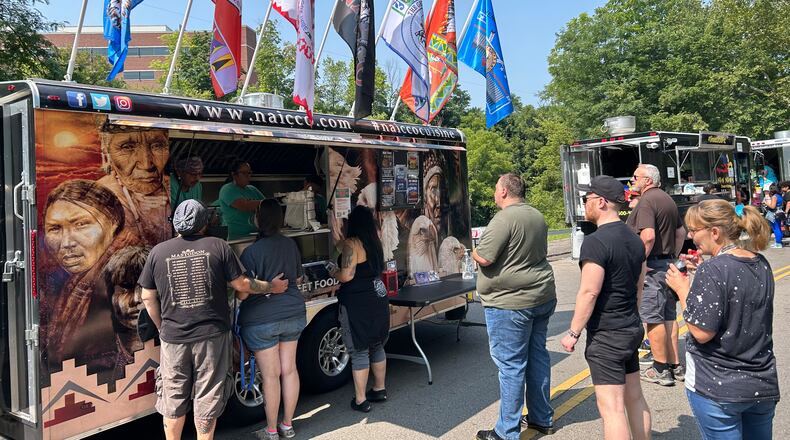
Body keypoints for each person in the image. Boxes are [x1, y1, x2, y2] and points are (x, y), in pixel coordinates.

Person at [138, 200, 288, 440]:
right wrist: (272, 286)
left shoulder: (158, 252)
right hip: (212, 337)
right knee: (207, 399)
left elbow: (147, 296)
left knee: (173, 398)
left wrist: (161, 327)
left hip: (173, 340)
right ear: (204, 223)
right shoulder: (218, 246)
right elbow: (242, 284)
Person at [665, 200, 779, 439]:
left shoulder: (714, 269)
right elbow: (736, 298)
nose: (690, 236)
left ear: (714, 232)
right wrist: (701, 272)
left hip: (719, 386)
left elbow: (701, 332)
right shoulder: (761, 263)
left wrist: (683, 289)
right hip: (762, 382)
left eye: (694, 230)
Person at [560, 176, 651, 440]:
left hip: (607, 334)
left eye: (586, 199)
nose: (584, 204)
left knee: (612, 408)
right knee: (635, 397)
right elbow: (639, 286)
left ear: (601, 202)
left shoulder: (595, 242)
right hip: (630, 327)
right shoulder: (635, 239)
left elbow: (589, 291)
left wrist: (573, 332)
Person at [472, 173, 557, 440]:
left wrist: (473, 251)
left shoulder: (503, 219)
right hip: (541, 295)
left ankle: (506, 431)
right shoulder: (536, 215)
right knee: (537, 356)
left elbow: (485, 257)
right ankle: (542, 418)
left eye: (496, 188)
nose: (494, 193)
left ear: (505, 192)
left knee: (511, 366)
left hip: (509, 303)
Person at [41, 179, 137, 373]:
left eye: (81, 224)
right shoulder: (72, 283)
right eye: (55, 228)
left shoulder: (128, 273)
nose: (67, 243)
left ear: (113, 223)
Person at [238, 200, 307, 440]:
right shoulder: (290, 244)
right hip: (293, 314)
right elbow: (298, 278)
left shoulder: (251, 252)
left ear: (259, 219)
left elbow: (242, 293)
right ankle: (287, 425)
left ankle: (271, 430)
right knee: (289, 370)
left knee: (270, 376)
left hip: (261, 321)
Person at [628, 164, 686, 386]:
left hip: (652, 267)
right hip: (667, 265)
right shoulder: (667, 199)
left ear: (648, 180)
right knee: (669, 316)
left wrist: (639, 262)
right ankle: (675, 365)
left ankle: (660, 368)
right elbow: (681, 232)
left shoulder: (647, 200)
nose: (632, 180)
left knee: (652, 318)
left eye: (636, 177)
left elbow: (649, 236)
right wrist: (672, 256)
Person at [329, 206, 389, 413]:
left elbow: (347, 276)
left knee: (359, 350)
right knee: (376, 345)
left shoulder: (352, 244)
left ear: (353, 224)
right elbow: (342, 246)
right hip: (377, 298)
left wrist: (333, 272)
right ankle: (379, 389)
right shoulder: (375, 242)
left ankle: (361, 399)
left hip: (357, 302)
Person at [97, 126, 171, 246]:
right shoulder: (96, 200)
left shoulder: (173, 186)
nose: (146, 165)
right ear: (106, 151)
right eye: (127, 147)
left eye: (157, 145)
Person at [100, 245, 150, 379]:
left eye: (146, 288)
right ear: (110, 295)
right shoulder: (99, 358)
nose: (136, 299)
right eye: (126, 289)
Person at [219, 160, 265, 240]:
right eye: (244, 173)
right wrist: (265, 203)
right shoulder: (227, 189)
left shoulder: (252, 189)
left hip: (255, 235)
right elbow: (244, 206)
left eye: (249, 173)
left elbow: (268, 206)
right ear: (234, 175)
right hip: (236, 238)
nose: (248, 176)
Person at [762, 184, 784, 248]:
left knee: (775, 228)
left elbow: (772, 206)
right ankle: (779, 242)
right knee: (778, 227)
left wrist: (766, 203)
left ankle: (778, 243)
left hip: (774, 214)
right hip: (779, 213)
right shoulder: (779, 196)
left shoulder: (774, 197)